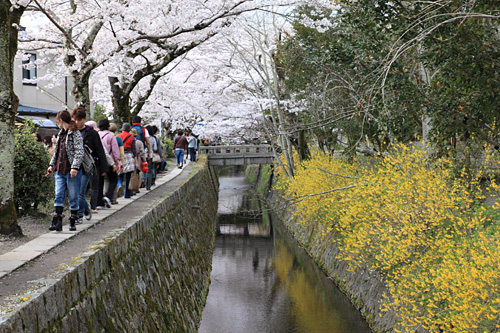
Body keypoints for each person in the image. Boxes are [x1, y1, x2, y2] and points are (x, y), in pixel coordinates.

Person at [46, 110, 84, 232]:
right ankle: (57, 221)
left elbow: (79, 151)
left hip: (71, 170)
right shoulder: (61, 133)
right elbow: (57, 152)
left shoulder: (75, 133)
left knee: (73, 196)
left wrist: (75, 167)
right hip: (59, 169)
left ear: (60, 120)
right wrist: (51, 165)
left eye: (57, 121)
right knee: (59, 194)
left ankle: (73, 220)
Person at [72, 107, 108, 224]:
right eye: (75, 120)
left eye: (79, 120)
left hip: (87, 166)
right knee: (74, 192)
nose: (77, 122)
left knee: (80, 192)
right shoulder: (71, 131)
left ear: (84, 119)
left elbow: (100, 150)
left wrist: (103, 167)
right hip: (74, 166)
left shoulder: (92, 133)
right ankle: (86, 208)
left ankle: (79, 214)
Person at [98, 119, 122, 209]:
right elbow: (115, 151)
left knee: (101, 181)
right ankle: (108, 197)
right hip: (109, 161)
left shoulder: (97, 134)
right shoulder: (111, 136)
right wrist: (118, 162)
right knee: (113, 179)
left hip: (99, 162)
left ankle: (100, 200)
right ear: (108, 126)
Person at [118, 123, 139, 198]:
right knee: (128, 176)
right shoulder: (132, 137)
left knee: (120, 174)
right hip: (129, 155)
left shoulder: (118, 136)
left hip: (120, 155)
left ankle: (119, 185)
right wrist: (136, 162)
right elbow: (134, 150)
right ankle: (127, 194)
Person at [131, 128, 146, 196]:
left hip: (129, 158)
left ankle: (130, 189)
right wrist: (144, 160)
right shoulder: (139, 142)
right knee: (137, 174)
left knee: (130, 174)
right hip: (138, 159)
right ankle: (135, 188)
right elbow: (142, 152)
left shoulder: (128, 141)